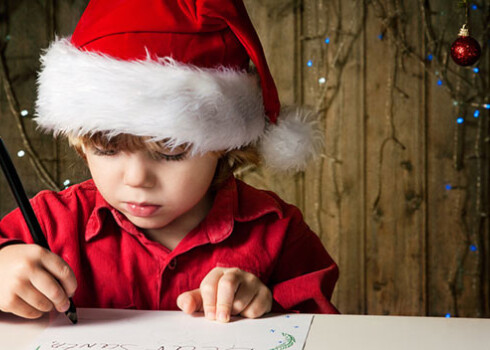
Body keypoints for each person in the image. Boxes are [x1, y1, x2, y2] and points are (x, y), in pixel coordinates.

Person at [0, 0, 339, 322]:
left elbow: (327, 332)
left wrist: (270, 309)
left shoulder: (279, 233)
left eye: (170, 152)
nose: (136, 178)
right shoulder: (48, 224)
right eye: (106, 149)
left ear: (220, 143)